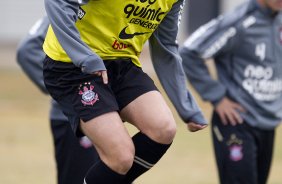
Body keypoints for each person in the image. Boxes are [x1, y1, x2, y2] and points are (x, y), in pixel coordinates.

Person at [42, 0, 207, 183]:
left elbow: (166, 46)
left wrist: (186, 106)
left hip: (122, 63)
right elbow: (57, 2)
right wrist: (84, 57)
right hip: (72, 66)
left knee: (163, 129)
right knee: (120, 156)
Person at [179, 0, 282, 183]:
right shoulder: (238, 21)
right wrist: (217, 97)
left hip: (268, 122)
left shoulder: (278, 20)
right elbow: (189, 52)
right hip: (237, 122)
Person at [16, 16, 99, 184]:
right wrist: (67, 90)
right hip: (75, 119)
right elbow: (28, 50)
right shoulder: (71, 7)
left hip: (104, 116)